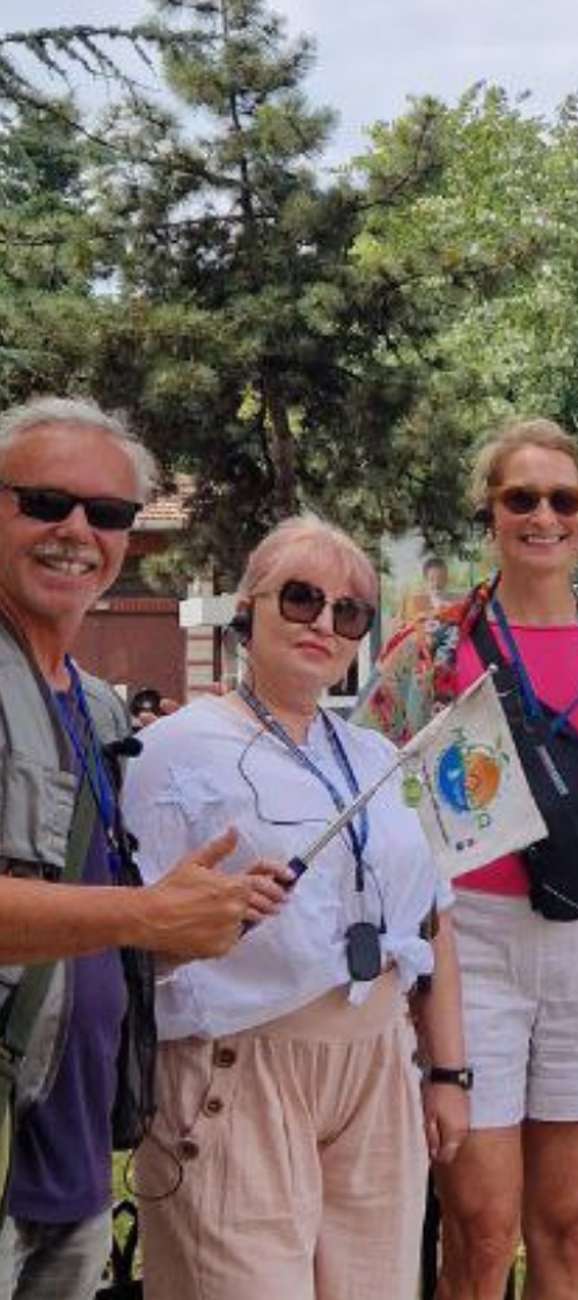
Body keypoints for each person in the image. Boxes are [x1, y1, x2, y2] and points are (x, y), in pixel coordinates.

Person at [357, 418, 578, 1299]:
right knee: (481, 1233)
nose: (544, 517)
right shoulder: (432, 651)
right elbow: (367, 793)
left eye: (564, 499)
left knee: (569, 1229)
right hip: (468, 949)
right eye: (522, 498)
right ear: (491, 514)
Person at [121, 515, 466, 1297]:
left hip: (375, 1067)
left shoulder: (375, 755)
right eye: (301, 598)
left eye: (349, 612)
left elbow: (431, 918)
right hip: (239, 1067)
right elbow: (129, 929)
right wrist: (207, 915)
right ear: (248, 609)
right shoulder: (175, 748)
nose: (323, 624)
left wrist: (449, 1070)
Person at [0, 397, 284, 1300]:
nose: (76, 532)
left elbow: (83, 919)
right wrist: (147, 913)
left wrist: (191, 922)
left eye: (108, 512)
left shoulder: (97, 706)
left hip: (71, 1153)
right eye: (46, 502)